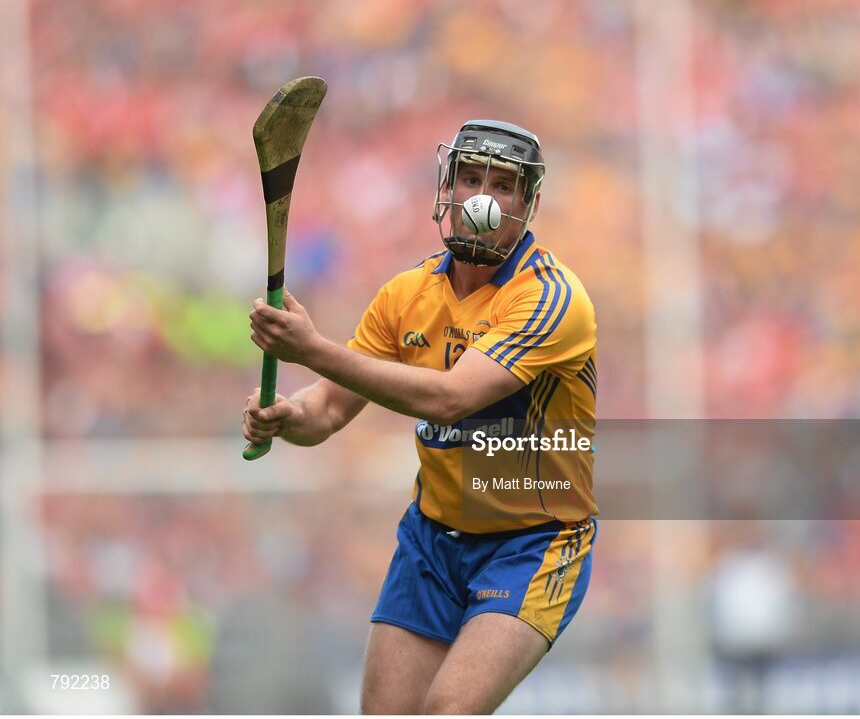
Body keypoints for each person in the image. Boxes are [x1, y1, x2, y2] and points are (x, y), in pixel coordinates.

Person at [242, 120, 598, 714]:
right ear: (447, 187)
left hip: (533, 543)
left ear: (528, 203)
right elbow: (327, 412)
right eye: (471, 177)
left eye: (503, 185)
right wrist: (284, 414)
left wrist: (311, 348)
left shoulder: (553, 298)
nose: (483, 197)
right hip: (432, 541)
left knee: (448, 712)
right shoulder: (406, 295)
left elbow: (449, 399)